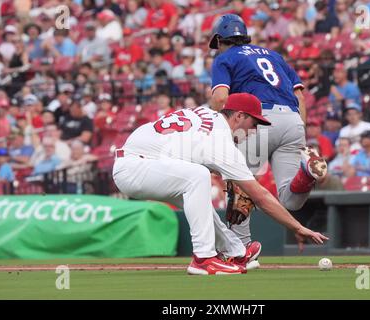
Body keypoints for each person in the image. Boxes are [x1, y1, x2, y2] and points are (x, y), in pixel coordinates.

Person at [113, 93, 328, 275]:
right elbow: (260, 196)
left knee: (197, 197)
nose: (254, 131)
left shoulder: (206, 113)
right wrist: (297, 227)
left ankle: (236, 251)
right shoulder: (221, 141)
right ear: (239, 116)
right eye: (254, 124)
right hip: (136, 165)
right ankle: (203, 259)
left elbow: (183, 143)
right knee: (197, 176)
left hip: (141, 161)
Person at [209, 14, 328, 249]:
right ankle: (306, 172)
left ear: (221, 40)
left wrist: (221, 128)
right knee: (290, 200)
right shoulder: (274, 56)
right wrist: (299, 134)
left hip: (257, 121)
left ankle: (240, 250)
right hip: (292, 121)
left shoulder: (225, 58)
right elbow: (300, 97)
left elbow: (221, 98)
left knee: (241, 185)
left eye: (218, 44)